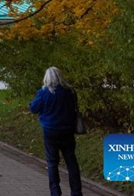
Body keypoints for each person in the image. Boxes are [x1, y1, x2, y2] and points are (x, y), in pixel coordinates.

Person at [29, 67, 83, 196]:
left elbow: (33, 108)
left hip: (50, 131)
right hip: (67, 130)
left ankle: (55, 192)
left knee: (52, 162)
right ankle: (76, 192)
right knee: (71, 161)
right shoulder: (70, 91)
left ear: (46, 78)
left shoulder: (43, 93)